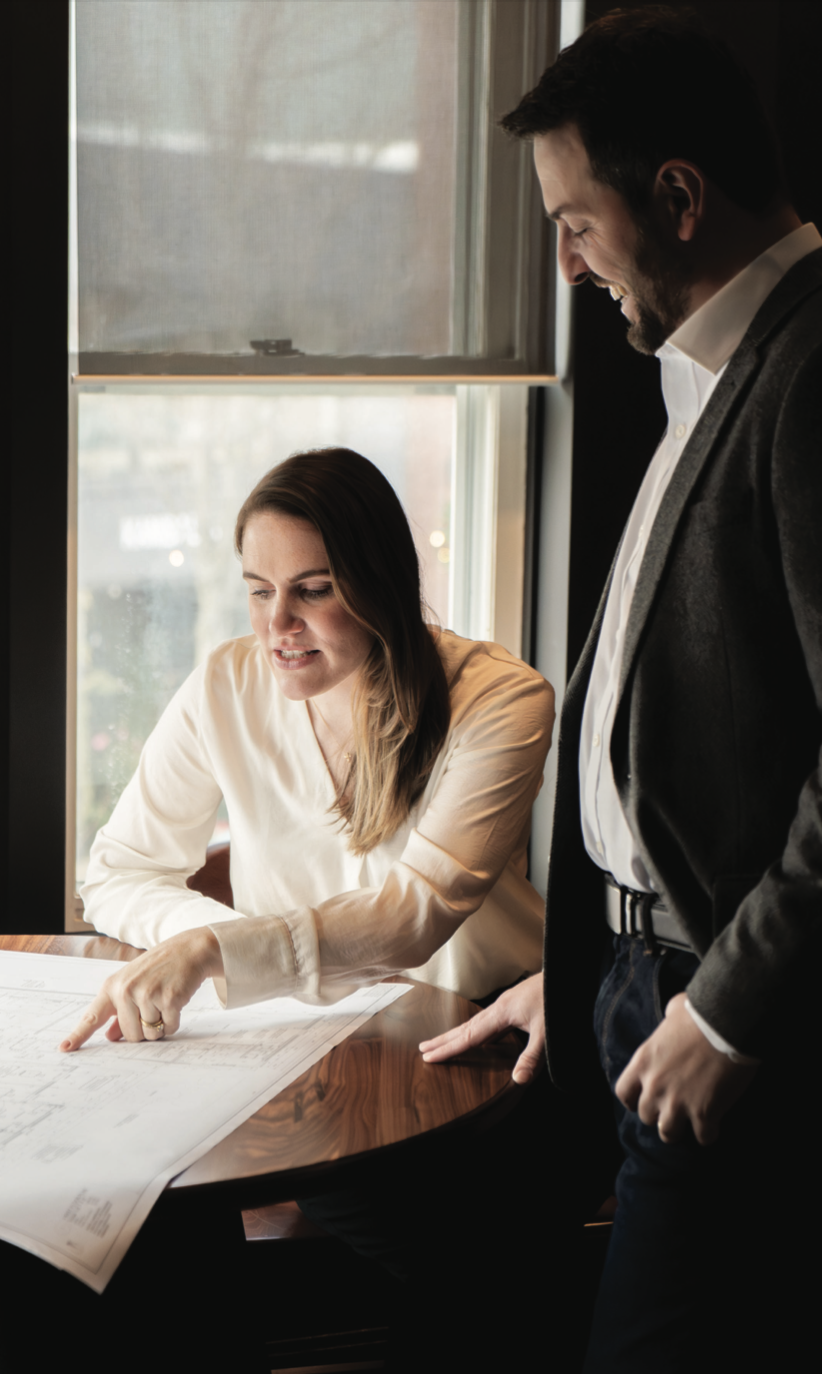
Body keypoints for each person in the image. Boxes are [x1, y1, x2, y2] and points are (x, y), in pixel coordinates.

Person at [421, 8, 821, 1371]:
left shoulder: (814, 374)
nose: (564, 259)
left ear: (680, 196)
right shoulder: (709, 369)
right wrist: (600, 961)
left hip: (733, 1016)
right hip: (638, 979)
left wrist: (718, 1005)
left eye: (575, 220)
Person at [61, 446, 553, 1043]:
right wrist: (206, 942)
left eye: (314, 590)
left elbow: (414, 914)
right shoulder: (225, 685)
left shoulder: (502, 700)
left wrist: (218, 951)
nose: (277, 625)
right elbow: (119, 874)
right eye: (260, 591)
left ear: (382, 586)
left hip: (477, 1029)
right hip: (291, 1032)